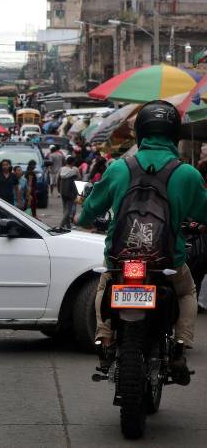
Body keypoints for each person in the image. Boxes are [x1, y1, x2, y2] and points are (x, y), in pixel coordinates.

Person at [77, 100, 207, 385]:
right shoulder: (187, 174)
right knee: (187, 293)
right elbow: (203, 213)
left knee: (105, 283)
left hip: (120, 258)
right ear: (174, 134)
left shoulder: (119, 168)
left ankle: (104, 338)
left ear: (140, 133)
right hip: (166, 260)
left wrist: (83, 219)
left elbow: (89, 211)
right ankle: (179, 348)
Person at [57, 156, 79, 229]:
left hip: (63, 191)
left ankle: (68, 225)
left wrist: (58, 189)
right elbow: (77, 182)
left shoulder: (61, 169)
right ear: (72, 162)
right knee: (68, 210)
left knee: (64, 209)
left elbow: (58, 180)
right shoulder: (74, 171)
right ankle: (61, 225)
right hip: (71, 192)